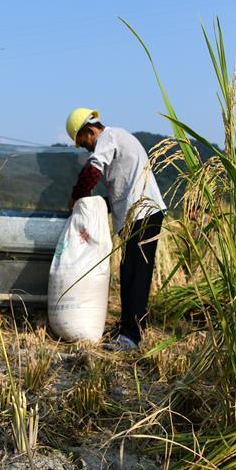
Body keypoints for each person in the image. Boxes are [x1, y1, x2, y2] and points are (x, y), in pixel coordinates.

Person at [65, 107, 166, 351]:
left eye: (82, 142)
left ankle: (131, 337)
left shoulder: (108, 137)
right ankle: (127, 328)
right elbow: (120, 191)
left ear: (90, 131)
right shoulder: (117, 141)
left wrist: (76, 197)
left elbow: (92, 171)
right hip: (137, 214)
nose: (85, 148)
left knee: (137, 275)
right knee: (129, 272)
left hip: (144, 214)